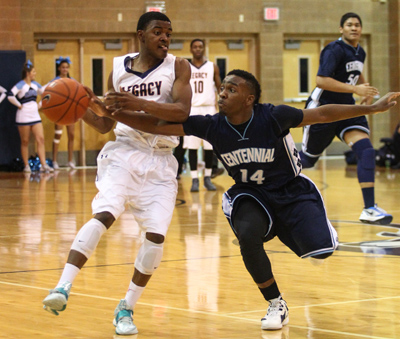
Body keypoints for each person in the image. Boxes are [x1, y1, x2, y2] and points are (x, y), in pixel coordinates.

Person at [97, 69, 399, 331]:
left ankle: (306, 226)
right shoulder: (212, 125)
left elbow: (321, 114)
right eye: (222, 88)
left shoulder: (273, 116)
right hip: (251, 194)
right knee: (248, 234)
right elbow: (154, 125)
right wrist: (111, 113)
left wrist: (371, 109)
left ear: (249, 98)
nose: (222, 93)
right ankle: (275, 303)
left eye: (231, 89)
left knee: (319, 252)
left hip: (290, 191)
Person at [42, 11, 192, 336]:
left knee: (155, 240)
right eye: (158, 32)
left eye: (168, 32)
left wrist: (134, 102)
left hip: (163, 161)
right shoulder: (118, 68)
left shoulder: (178, 66)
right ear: (141, 35)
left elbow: (182, 112)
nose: (165, 38)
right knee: (105, 213)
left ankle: (126, 306)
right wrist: (81, 105)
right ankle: (62, 286)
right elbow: (107, 124)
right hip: (125, 153)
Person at [299, 12, 392, 225]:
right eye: (349, 25)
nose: (354, 28)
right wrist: (354, 89)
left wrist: (366, 90)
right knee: (307, 160)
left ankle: (369, 209)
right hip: (324, 110)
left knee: (367, 151)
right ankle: (270, 176)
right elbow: (321, 80)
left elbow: (356, 73)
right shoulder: (334, 50)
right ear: (341, 29)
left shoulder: (360, 52)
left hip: (347, 110)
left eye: (357, 25)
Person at [183, 39, 221, 191]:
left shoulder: (212, 67)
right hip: (192, 109)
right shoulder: (185, 67)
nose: (198, 49)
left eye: (200, 46)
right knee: (192, 146)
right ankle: (194, 179)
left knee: (209, 146)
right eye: (195, 47)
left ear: (204, 49)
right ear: (191, 49)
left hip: (209, 108)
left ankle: (207, 177)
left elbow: (220, 88)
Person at [8, 60, 53, 173]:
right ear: (28, 73)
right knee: (25, 141)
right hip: (23, 116)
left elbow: (45, 93)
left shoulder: (35, 84)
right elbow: (10, 95)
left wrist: (40, 105)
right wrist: (19, 105)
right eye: (33, 71)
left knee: (40, 139)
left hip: (35, 115)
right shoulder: (20, 85)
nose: (35, 73)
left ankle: (44, 165)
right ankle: (27, 166)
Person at [49, 57, 76, 170]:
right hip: (60, 112)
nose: (65, 69)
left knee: (71, 135)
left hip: (70, 111)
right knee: (58, 135)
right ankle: (54, 161)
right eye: (63, 67)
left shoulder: (72, 80)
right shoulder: (55, 81)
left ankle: (70, 160)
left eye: (66, 67)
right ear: (59, 68)